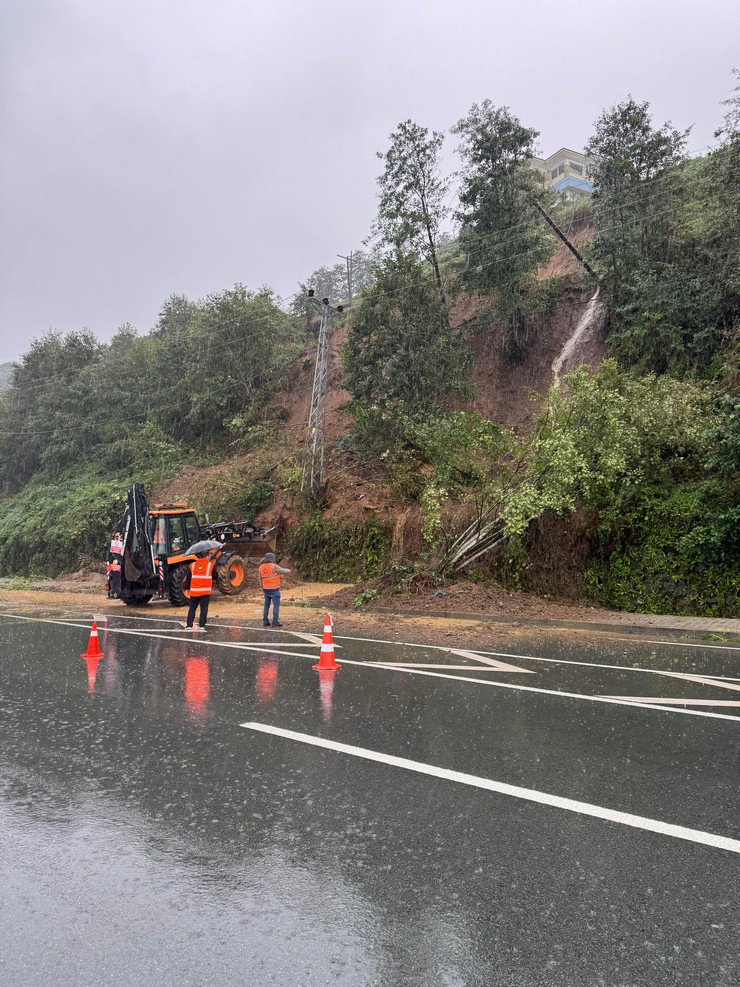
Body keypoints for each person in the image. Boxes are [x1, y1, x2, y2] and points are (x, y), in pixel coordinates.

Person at [182, 550, 215, 631]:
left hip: (194, 591)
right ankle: (202, 625)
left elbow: (188, 579)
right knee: (203, 609)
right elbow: (215, 576)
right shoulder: (210, 566)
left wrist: (186, 588)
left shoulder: (192, 565)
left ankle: (189, 625)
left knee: (192, 608)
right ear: (207, 556)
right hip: (205, 592)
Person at [259, 552, 291, 628]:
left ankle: (265, 622)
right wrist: (289, 570)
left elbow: (260, 579)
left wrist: (262, 588)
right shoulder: (274, 566)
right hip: (274, 590)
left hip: (266, 590)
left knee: (266, 606)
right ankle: (275, 622)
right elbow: (283, 570)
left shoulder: (261, 567)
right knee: (276, 606)